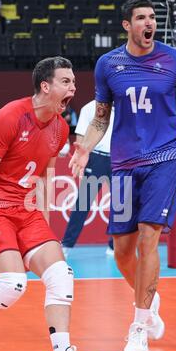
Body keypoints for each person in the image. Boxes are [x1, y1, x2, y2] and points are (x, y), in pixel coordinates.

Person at [69, 0, 176, 351]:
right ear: (127, 25)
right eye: (142, 18)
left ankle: (138, 327)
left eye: (152, 18)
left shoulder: (175, 60)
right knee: (122, 252)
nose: (149, 23)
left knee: (150, 240)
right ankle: (150, 298)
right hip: (123, 164)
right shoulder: (108, 65)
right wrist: (84, 146)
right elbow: (101, 118)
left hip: (165, 157)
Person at [0, 56, 108, 351]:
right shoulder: (10, 116)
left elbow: (46, 177)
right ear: (45, 86)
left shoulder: (61, 127)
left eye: (74, 83)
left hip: (27, 211)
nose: (73, 88)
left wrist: (44, 222)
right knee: (13, 285)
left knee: (61, 276)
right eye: (66, 82)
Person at [62, 99, 114, 257]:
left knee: (121, 204)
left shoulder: (125, 106)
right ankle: (67, 245)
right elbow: (80, 138)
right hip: (96, 158)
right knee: (83, 202)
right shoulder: (88, 108)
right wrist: (79, 158)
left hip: (120, 158)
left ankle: (114, 246)